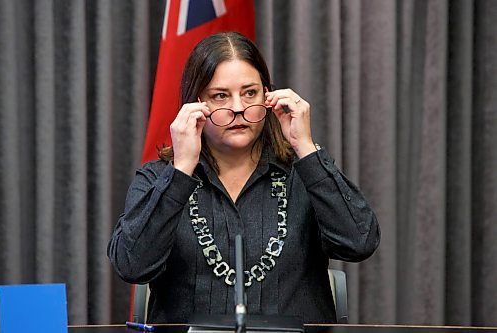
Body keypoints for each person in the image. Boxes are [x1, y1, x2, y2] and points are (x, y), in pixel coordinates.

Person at [108, 31, 380, 324]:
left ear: (268, 96)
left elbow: (360, 242)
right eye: (220, 96)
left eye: (249, 93)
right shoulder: (157, 178)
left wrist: (306, 148)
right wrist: (182, 169)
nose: (238, 108)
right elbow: (131, 265)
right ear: (197, 104)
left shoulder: (304, 174)